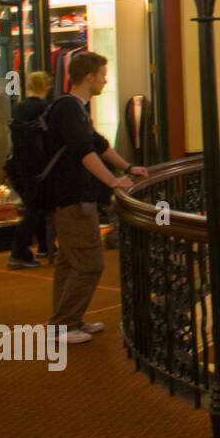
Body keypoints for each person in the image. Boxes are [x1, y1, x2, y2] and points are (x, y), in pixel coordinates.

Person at [45, 52, 146, 345]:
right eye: (102, 74)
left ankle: (66, 321)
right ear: (89, 78)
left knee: (69, 261)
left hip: (70, 197)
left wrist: (127, 168)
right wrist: (113, 180)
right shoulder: (69, 108)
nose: (105, 80)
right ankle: (64, 324)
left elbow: (98, 145)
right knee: (89, 263)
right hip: (72, 197)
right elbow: (84, 151)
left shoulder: (74, 108)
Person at [6, 70, 55, 268]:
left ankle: (44, 246)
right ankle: (20, 252)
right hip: (38, 167)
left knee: (35, 207)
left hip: (19, 166)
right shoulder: (44, 110)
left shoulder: (17, 109)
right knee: (36, 209)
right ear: (46, 87)